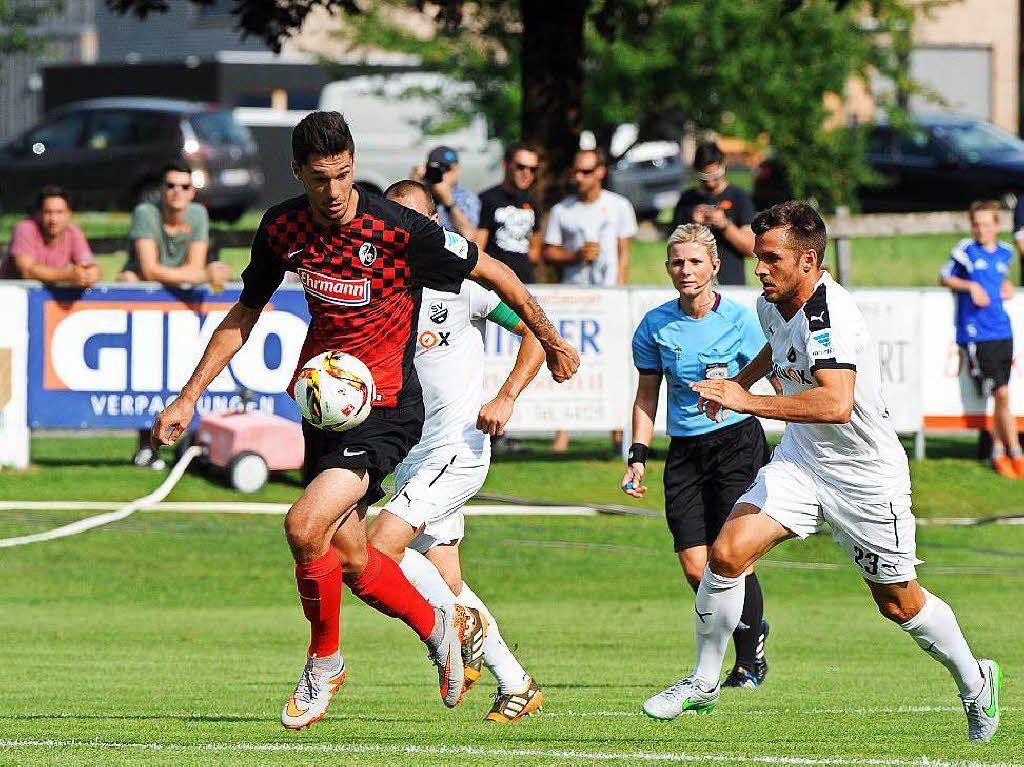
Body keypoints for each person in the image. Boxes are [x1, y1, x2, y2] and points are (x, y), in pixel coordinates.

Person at [151, 111, 579, 730]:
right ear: (297, 172)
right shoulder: (282, 228)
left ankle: (325, 663)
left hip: (386, 411)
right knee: (352, 559)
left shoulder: (399, 229)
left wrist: (550, 337)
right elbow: (244, 315)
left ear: (354, 165)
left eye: (343, 175)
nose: (333, 192)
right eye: (320, 178)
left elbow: (498, 273)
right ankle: (439, 626)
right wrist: (189, 396)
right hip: (324, 410)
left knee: (303, 527)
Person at [641, 201, 1000, 744]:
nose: (759, 268)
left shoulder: (830, 316)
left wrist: (747, 401)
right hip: (804, 462)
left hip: (864, 477)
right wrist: (740, 380)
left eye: (771, 258)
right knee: (727, 551)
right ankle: (703, 682)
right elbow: (776, 350)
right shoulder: (775, 301)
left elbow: (835, 403)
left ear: (808, 260)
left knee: (898, 601)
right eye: (759, 257)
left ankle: (976, 684)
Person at [379, 179, 546, 722]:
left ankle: (452, 626)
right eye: (391, 217)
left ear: (435, 225)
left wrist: (507, 395)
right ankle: (517, 684)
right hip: (410, 457)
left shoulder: (459, 283)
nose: (399, 229)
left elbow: (535, 333)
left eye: (414, 219)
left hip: (455, 451)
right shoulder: (377, 286)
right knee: (446, 579)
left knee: (375, 548)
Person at [623, 224, 771, 689]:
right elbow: (647, 396)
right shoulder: (655, 325)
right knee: (695, 565)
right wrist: (638, 455)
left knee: (734, 557)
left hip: (736, 444)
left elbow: (773, 373)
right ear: (668, 267)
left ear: (715, 267)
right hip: (685, 452)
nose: (685, 270)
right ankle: (748, 626)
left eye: (694, 262)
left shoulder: (742, 321)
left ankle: (748, 660)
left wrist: (737, 391)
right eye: (677, 262)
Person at [119, 162, 232, 471]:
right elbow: (148, 269)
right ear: (162, 189)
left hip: (182, 307)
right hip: (147, 308)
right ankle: (145, 447)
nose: (176, 192)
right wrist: (198, 274)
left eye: (184, 186)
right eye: (170, 185)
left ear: (192, 192)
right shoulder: (146, 213)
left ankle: (187, 446)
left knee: (188, 375)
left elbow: (191, 266)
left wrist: (200, 273)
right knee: (144, 376)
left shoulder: (197, 214)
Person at [544, 148, 637, 453]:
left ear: (600, 172)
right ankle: (562, 432)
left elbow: (624, 252)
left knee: (613, 364)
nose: (579, 177)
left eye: (586, 171)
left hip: (609, 296)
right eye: (576, 171)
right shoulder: (563, 210)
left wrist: (620, 290)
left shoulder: (618, 205)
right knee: (566, 360)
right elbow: (548, 251)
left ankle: (616, 433)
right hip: (573, 297)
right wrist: (575, 256)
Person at [941, 200, 1022, 478]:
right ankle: (1015, 452)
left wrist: (1006, 286)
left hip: (1003, 330)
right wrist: (970, 285)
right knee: (1001, 393)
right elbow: (944, 277)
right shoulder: (965, 250)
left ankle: (997, 451)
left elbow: (1000, 280)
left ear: (997, 226)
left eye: (986, 224)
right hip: (978, 333)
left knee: (1002, 396)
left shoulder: (1006, 253)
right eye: (976, 224)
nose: (980, 229)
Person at [670, 141, 756, 286]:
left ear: (723, 167)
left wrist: (724, 225)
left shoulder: (739, 197)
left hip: (731, 283)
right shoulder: (687, 200)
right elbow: (675, 250)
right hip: (695, 284)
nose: (710, 183)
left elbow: (751, 249)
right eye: (705, 178)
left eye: (715, 176)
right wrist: (694, 226)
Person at [1, 186, 101, 287]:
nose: (54, 219)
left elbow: (88, 265)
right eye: (48, 212)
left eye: (59, 212)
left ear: (68, 214)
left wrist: (91, 274)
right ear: (38, 214)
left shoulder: (73, 232)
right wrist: (69, 275)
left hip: (46, 297)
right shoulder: (24, 229)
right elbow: (27, 271)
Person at [476, 142, 542, 284]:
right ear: (505, 165)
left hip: (525, 283)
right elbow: (478, 248)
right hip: (494, 285)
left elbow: (535, 250)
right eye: (520, 167)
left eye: (533, 169)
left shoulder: (532, 203)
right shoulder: (487, 199)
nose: (527, 174)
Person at [417, 145, 481, 241]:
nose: (441, 173)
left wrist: (449, 203)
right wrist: (413, 185)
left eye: (445, 168)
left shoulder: (467, 197)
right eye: (435, 169)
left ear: (457, 169)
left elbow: (470, 238)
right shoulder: (420, 192)